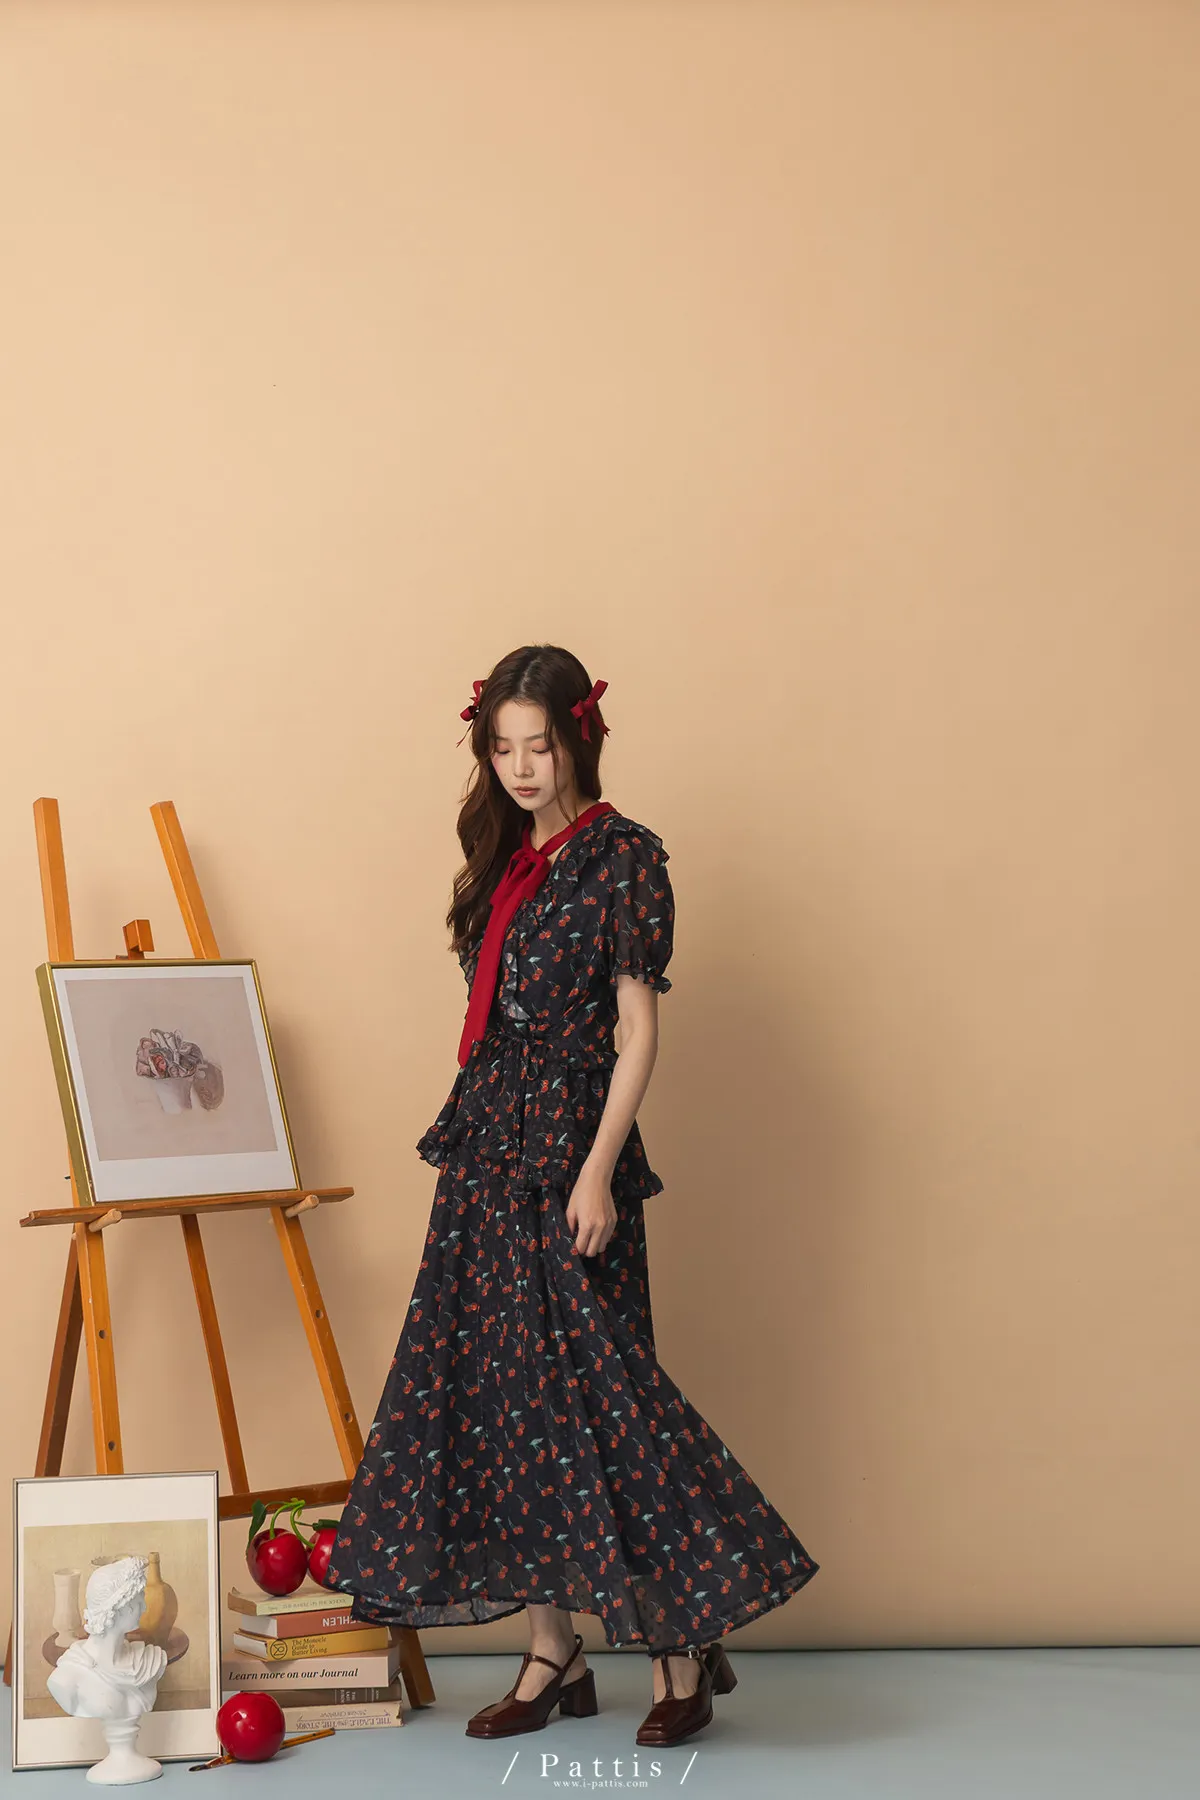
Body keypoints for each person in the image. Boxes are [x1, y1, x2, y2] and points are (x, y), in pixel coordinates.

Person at [321, 644, 819, 1746]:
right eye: (501, 748)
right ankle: (555, 1652)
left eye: (537, 746)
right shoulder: (503, 861)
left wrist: (596, 1169)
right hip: (487, 1148)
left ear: (578, 740)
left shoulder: (626, 860)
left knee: (604, 1398)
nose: (519, 768)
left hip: (572, 1149)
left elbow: (638, 1031)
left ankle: (680, 1645)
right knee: (501, 1398)